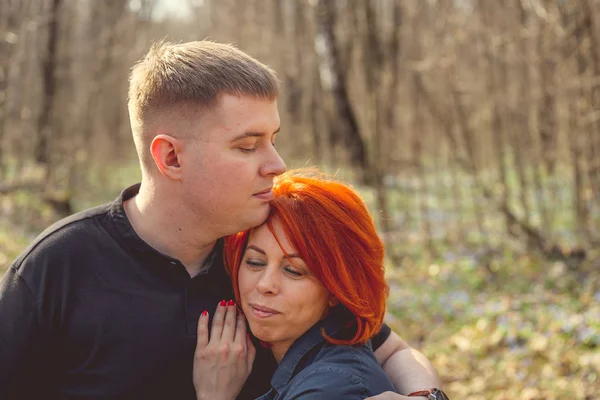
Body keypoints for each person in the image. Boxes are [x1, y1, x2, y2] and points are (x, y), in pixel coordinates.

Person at [0, 41, 441, 400]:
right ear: (171, 157)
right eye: (248, 146)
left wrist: (423, 397)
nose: (276, 164)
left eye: (273, 139)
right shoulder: (55, 269)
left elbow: (390, 349)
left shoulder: (264, 253)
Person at [196, 170, 397, 399]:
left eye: (293, 271)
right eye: (255, 262)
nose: (265, 285)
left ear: (336, 288)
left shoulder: (330, 389)